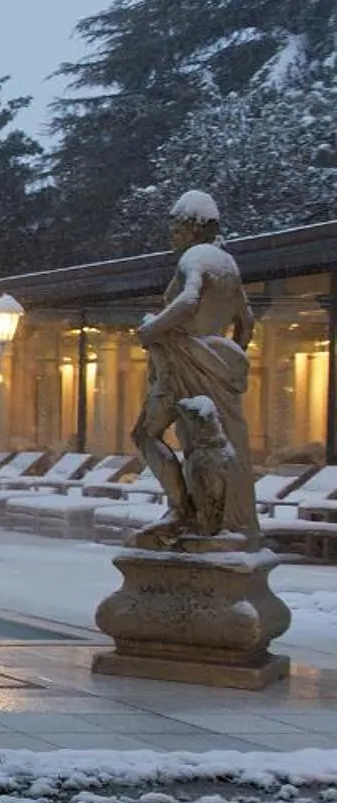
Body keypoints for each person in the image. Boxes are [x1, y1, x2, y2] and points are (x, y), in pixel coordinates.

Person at [129, 190, 259, 548]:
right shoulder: (227, 264)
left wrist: (151, 329)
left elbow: (188, 300)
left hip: (182, 360)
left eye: (177, 226)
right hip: (210, 363)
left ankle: (180, 508)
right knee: (208, 444)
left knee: (145, 434)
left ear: (193, 226)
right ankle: (210, 516)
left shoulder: (195, 257)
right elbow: (246, 322)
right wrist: (225, 359)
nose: (173, 235)